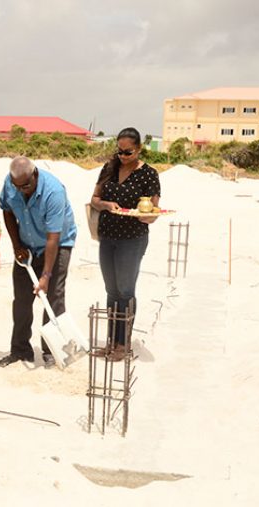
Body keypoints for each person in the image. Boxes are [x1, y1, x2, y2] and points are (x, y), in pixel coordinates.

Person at [0, 157, 77, 368]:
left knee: (53, 297)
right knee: (22, 299)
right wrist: (16, 246)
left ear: (35, 175)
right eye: (17, 186)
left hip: (57, 244)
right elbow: (7, 211)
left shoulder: (54, 192)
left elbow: (53, 238)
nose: (22, 190)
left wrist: (45, 276)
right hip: (26, 245)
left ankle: (51, 351)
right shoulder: (11, 183)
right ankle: (20, 350)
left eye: (26, 185)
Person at [90, 127, 161, 360]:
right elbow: (95, 199)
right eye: (119, 151)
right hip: (107, 236)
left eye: (128, 152)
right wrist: (106, 205)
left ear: (139, 149)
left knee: (126, 290)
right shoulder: (109, 169)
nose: (123, 156)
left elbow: (154, 208)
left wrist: (149, 216)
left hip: (132, 238)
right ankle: (112, 341)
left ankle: (124, 344)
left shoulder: (149, 174)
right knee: (111, 292)